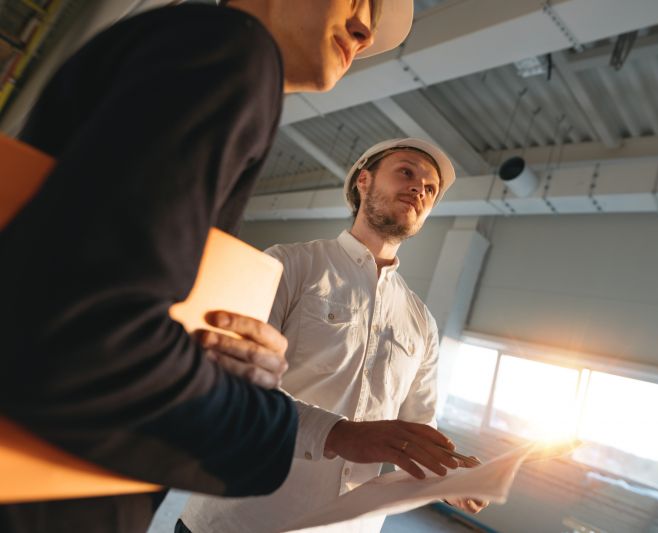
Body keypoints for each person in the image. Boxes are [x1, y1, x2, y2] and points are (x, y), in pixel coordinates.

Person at [0, 1, 413, 532]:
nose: (364, 28)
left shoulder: (195, 47)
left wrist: (217, 363)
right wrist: (265, 421)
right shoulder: (231, 53)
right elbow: (82, 338)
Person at [179, 138, 488, 533]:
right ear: (364, 181)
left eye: (430, 189)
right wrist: (339, 434)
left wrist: (448, 475)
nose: (419, 189)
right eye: (407, 172)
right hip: (241, 518)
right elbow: (231, 386)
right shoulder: (289, 265)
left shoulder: (421, 322)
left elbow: (417, 428)